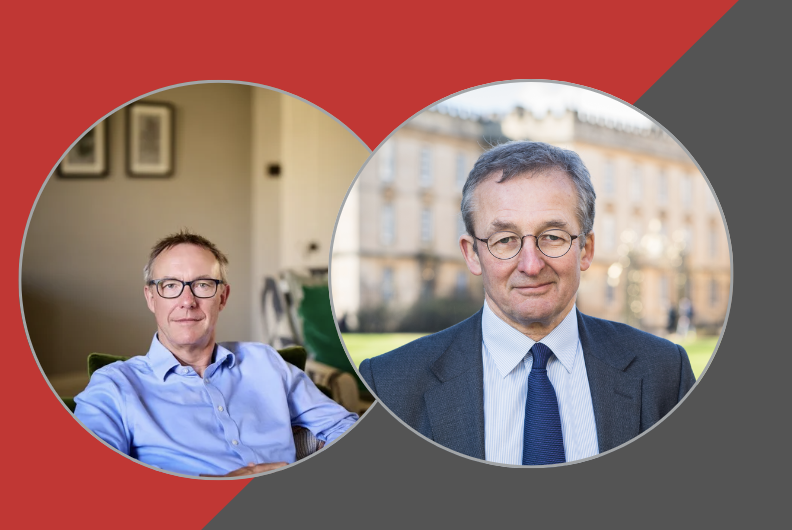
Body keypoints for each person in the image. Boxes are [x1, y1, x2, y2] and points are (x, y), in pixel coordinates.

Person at [359, 141, 695, 465]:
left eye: (553, 236)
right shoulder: (390, 383)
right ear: (472, 254)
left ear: (586, 249)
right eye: (505, 240)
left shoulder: (665, 373)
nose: (531, 265)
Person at [75, 231, 358, 476]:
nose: (187, 301)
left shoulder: (266, 362)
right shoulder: (113, 386)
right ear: (151, 297)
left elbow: (345, 428)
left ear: (222, 297)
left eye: (202, 285)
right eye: (171, 286)